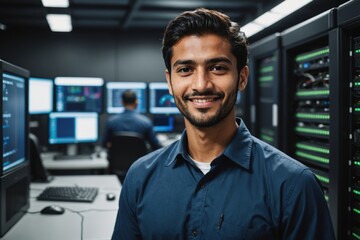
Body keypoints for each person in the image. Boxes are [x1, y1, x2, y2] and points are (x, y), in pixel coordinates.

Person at [111, 8, 335, 240]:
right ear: (170, 81)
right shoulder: (139, 177)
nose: (201, 84)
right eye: (185, 69)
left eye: (217, 68)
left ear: (242, 77)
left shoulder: (293, 185)